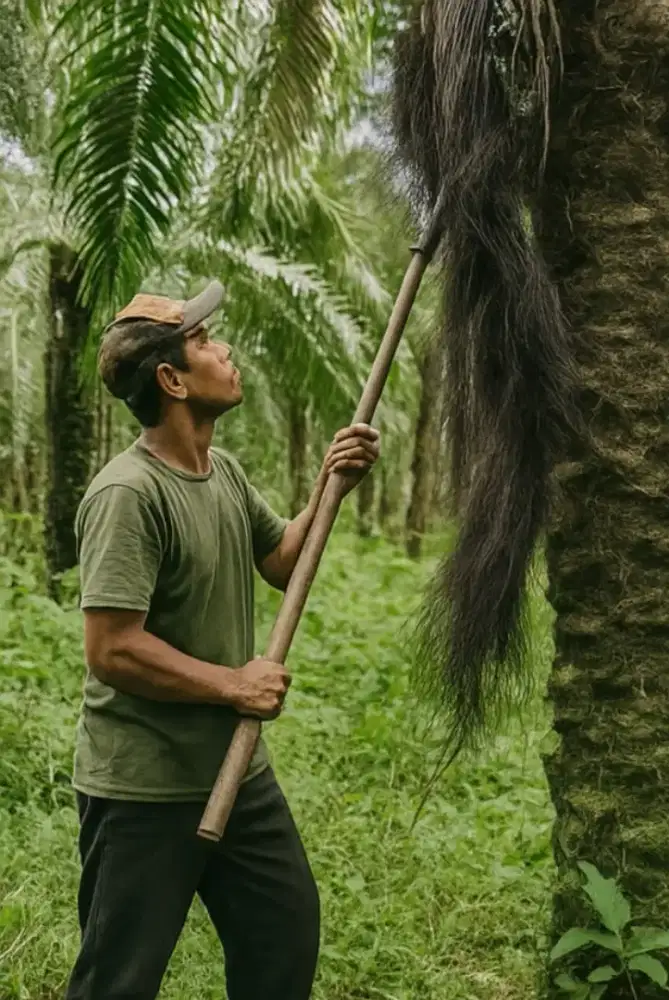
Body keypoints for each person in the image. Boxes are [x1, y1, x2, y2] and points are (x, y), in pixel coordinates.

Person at [64, 280, 381, 1000]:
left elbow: (282, 562)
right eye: (205, 341)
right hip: (145, 786)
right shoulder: (127, 495)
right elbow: (112, 649)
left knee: (283, 936)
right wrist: (235, 684)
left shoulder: (223, 473)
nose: (226, 349)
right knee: (119, 978)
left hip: (238, 776)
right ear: (171, 380)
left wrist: (331, 484)